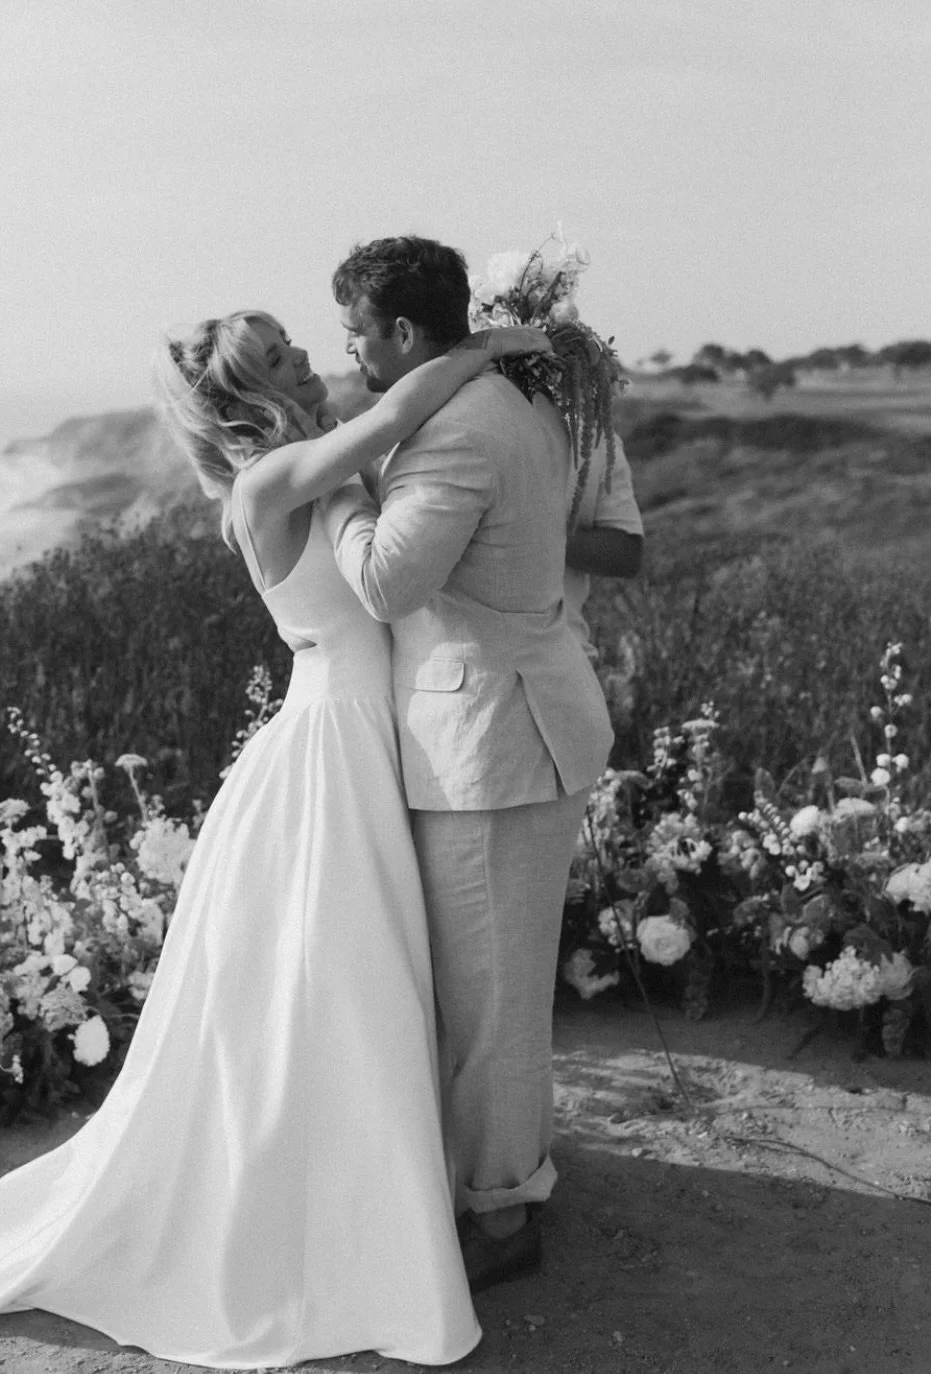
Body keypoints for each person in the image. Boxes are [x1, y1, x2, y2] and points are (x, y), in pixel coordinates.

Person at [0, 310, 549, 1368]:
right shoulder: (270, 479)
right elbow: (393, 412)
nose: (307, 360)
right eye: (284, 356)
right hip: (331, 748)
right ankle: (336, 1224)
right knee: (345, 983)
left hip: (370, 736)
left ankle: (373, 1190)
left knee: (355, 987)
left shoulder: (300, 465)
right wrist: (483, 350)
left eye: (297, 345)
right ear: (249, 394)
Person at [324, 236, 615, 1292]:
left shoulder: (457, 431)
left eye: (354, 333)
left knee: (489, 998)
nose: (347, 353)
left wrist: (342, 490)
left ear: (402, 333)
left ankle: (499, 1215)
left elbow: (389, 586)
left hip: (492, 744)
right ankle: (506, 1173)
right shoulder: (517, 399)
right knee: (503, 990)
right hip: (523, 725)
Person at [564, 435, 644, 659]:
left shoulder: (592, 438)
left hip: (563, 654)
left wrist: (538, 538)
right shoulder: (470, 426)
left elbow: (626, 551)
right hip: (475, 664)